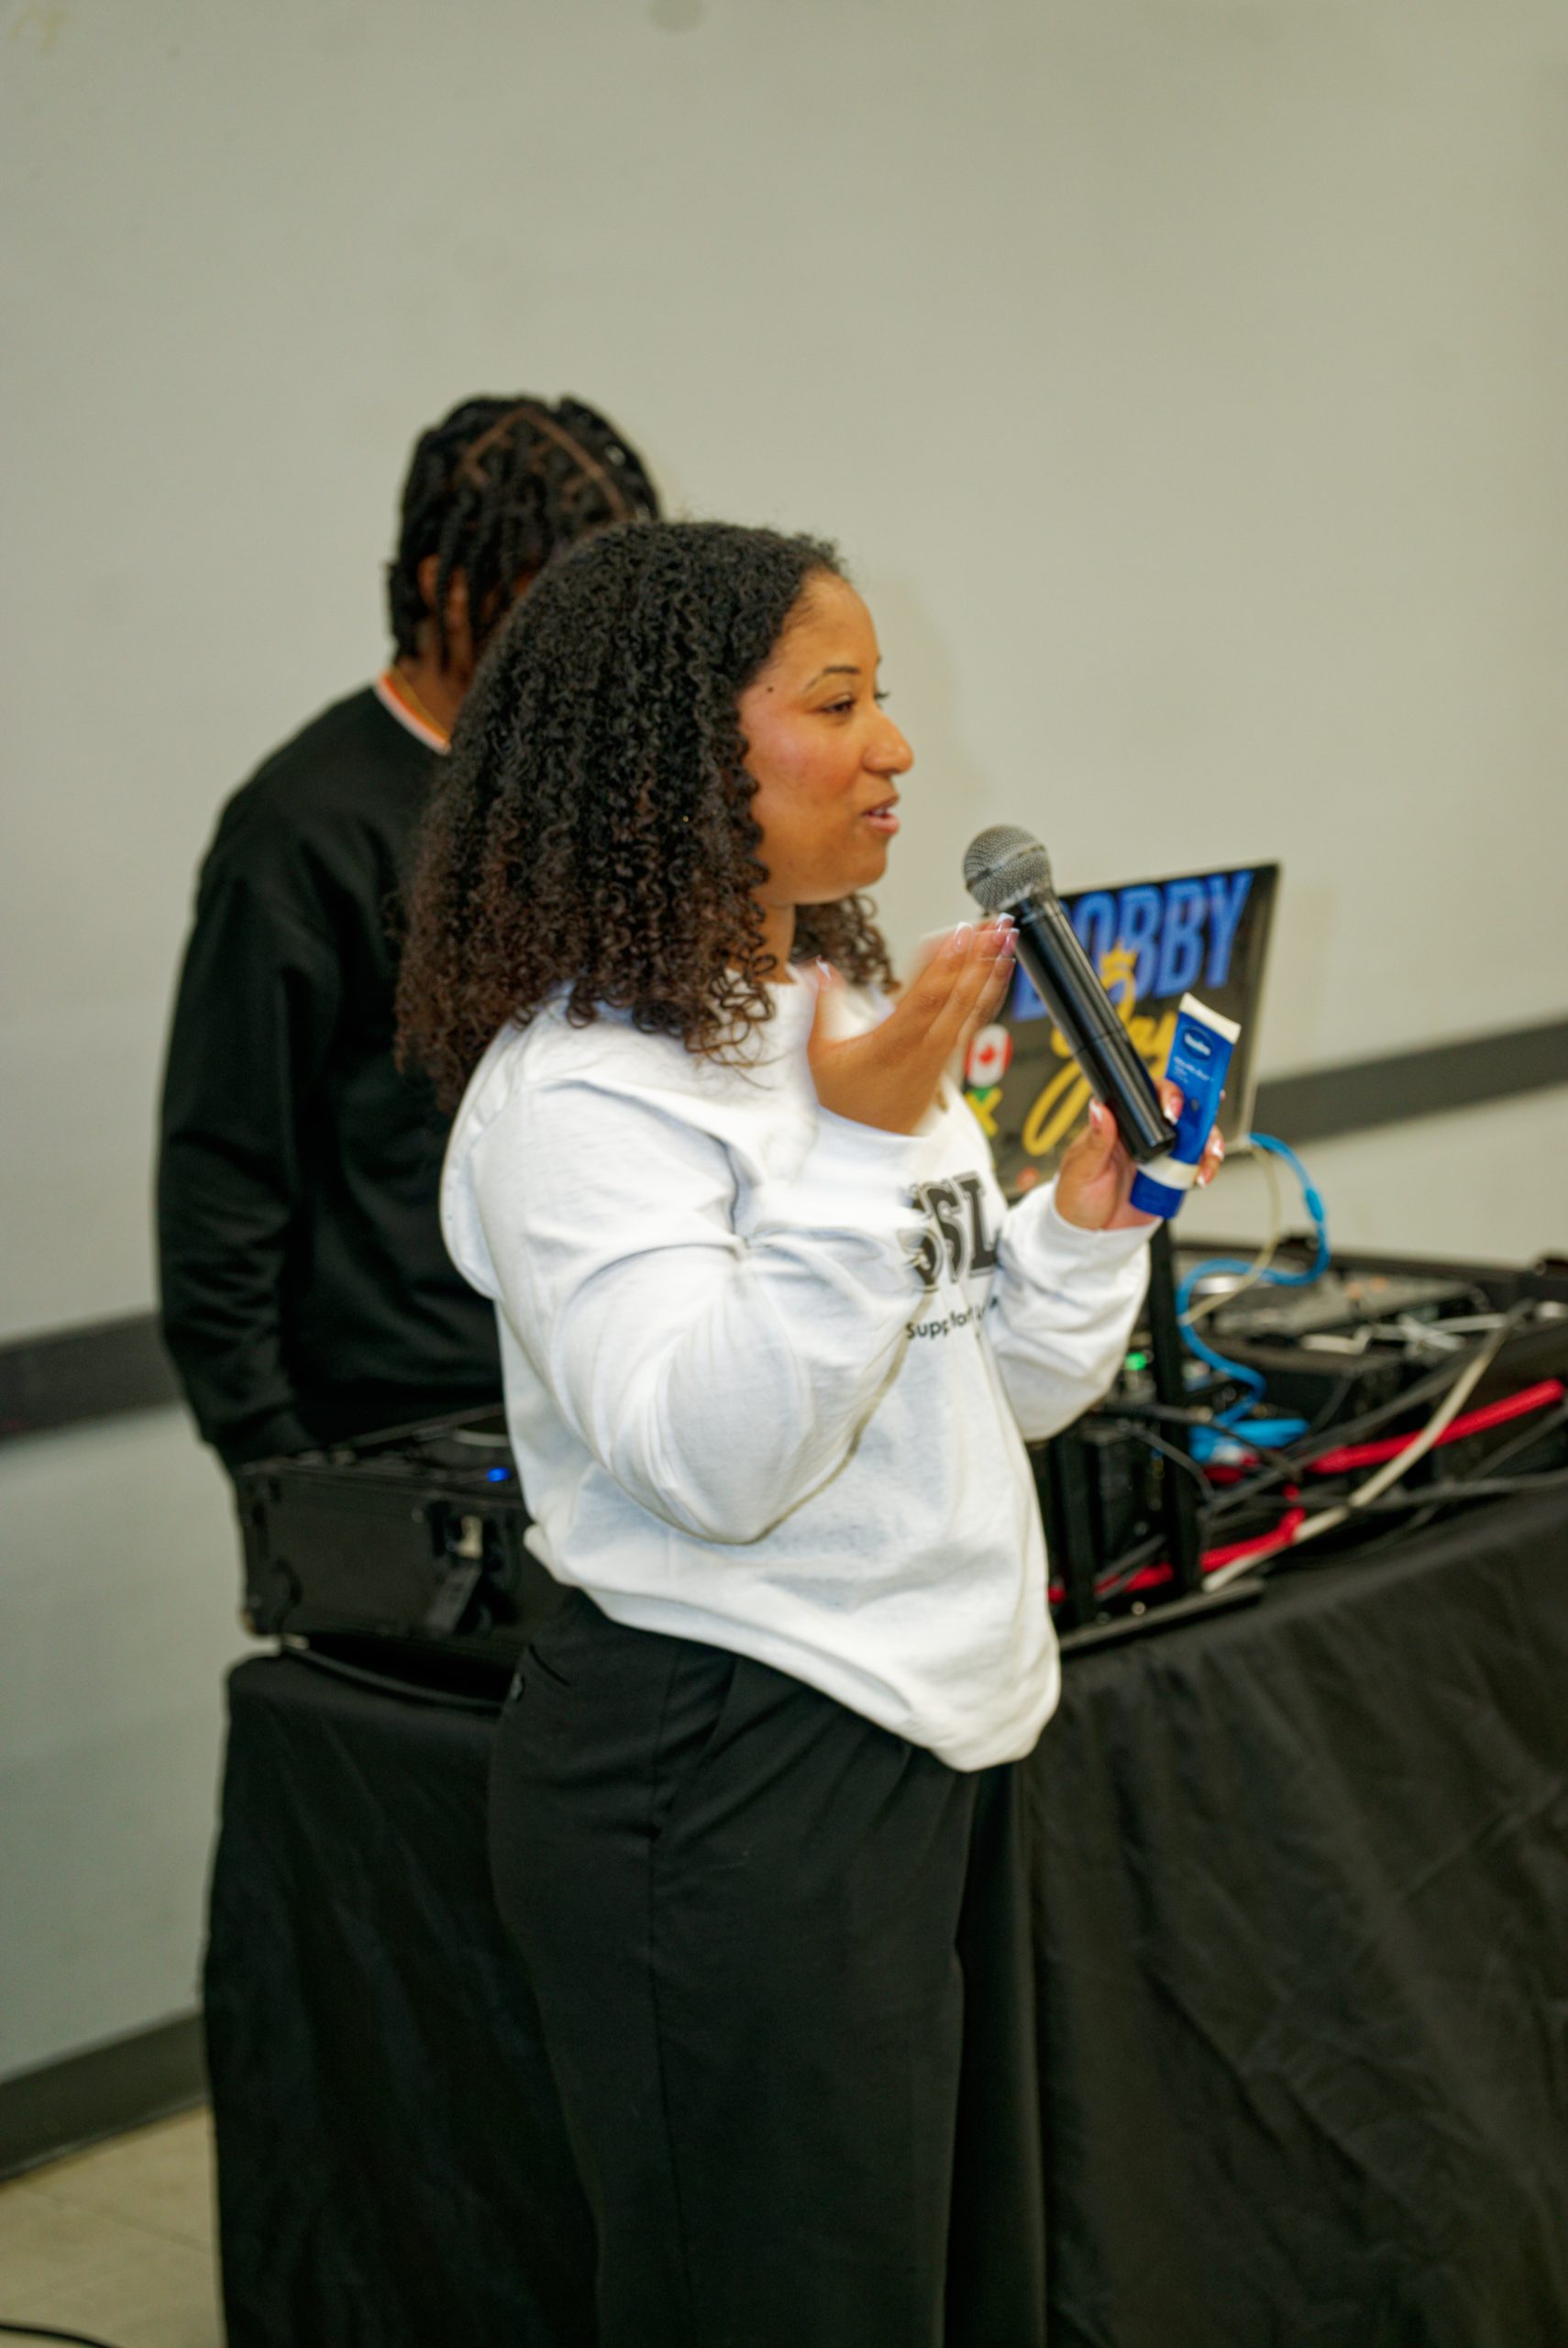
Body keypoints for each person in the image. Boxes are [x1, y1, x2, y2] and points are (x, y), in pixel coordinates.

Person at [396, 519, 1220, 2348]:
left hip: (927, 1737)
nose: (895, 748)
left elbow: (977, 1391)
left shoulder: (828, 1020)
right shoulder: (581, 1094)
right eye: (837, 703)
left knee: (931, 2290)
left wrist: (1083, 1231)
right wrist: (861, 1152)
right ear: (673, 758)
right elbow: (721, 1466)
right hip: (723, 1768)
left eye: (882, 698)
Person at [157, 395, 659, 1473]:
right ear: (445, 588)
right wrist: (272, 1457)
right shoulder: (302, 825)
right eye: (555, 605)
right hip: (401, 1423)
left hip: (601, 1381)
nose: (593, 650)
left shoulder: (598, 789)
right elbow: (223, 1164)